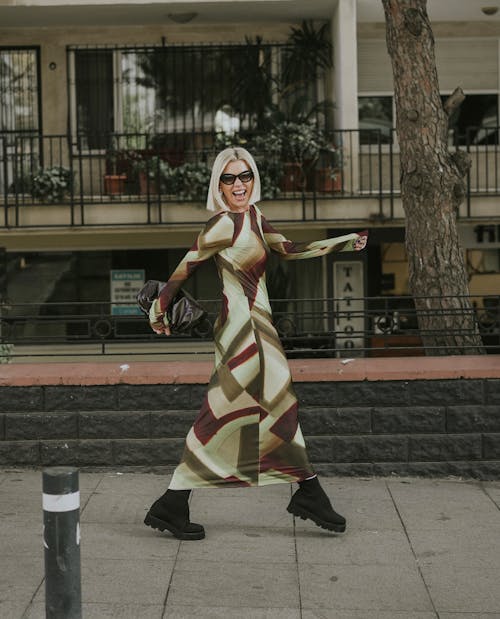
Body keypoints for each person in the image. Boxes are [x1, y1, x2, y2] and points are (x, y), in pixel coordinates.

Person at [144, 147, 368, 541]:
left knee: (271, 404)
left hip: (259, 325)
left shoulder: (256, 217)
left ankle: (176, 501)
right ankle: (305, 490)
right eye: (229, 179)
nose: (238, 184)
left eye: (244, 175)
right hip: (240, 328)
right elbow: (183, 270)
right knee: (231, 408)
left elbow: (290, 249)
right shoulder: (222, 225)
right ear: (218, 185)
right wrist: (158, 312)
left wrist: (344, 242)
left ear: (253, 178)